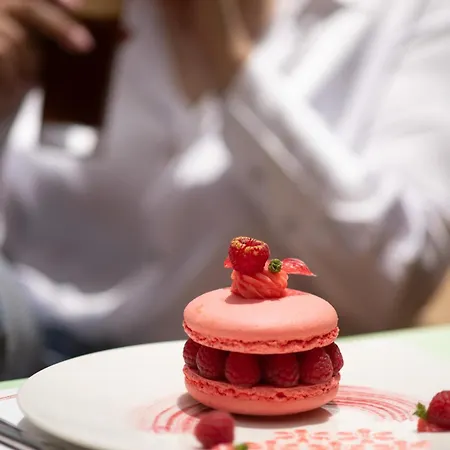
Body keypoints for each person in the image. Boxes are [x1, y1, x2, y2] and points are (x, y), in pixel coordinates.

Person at [1, 0, 450, 377]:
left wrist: (231, 59)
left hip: (259, 374)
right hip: (33, 342)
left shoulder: (408, 15)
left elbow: (395, 287)